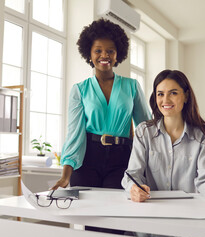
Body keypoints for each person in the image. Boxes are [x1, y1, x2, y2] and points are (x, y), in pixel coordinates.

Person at [51, 18, 150, 191]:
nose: (104, 55)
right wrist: (65, 175)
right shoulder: (79, 90)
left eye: (110, 51)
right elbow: (74, 133)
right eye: (98, 50)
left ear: (117, 54)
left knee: (115, 212)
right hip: (87, 158)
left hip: (122, 160)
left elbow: (146, 128)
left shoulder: (132, 86)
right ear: (89, 54)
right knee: (84, 213)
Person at [122, 69, 205, 209]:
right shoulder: (144, 132)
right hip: (152, 210)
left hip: (190, 212)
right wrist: (134, 188)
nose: (165, 100)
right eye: (160, 94)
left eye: (173, 93)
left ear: (186, 96)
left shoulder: (202, 136)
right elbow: (132, 174)